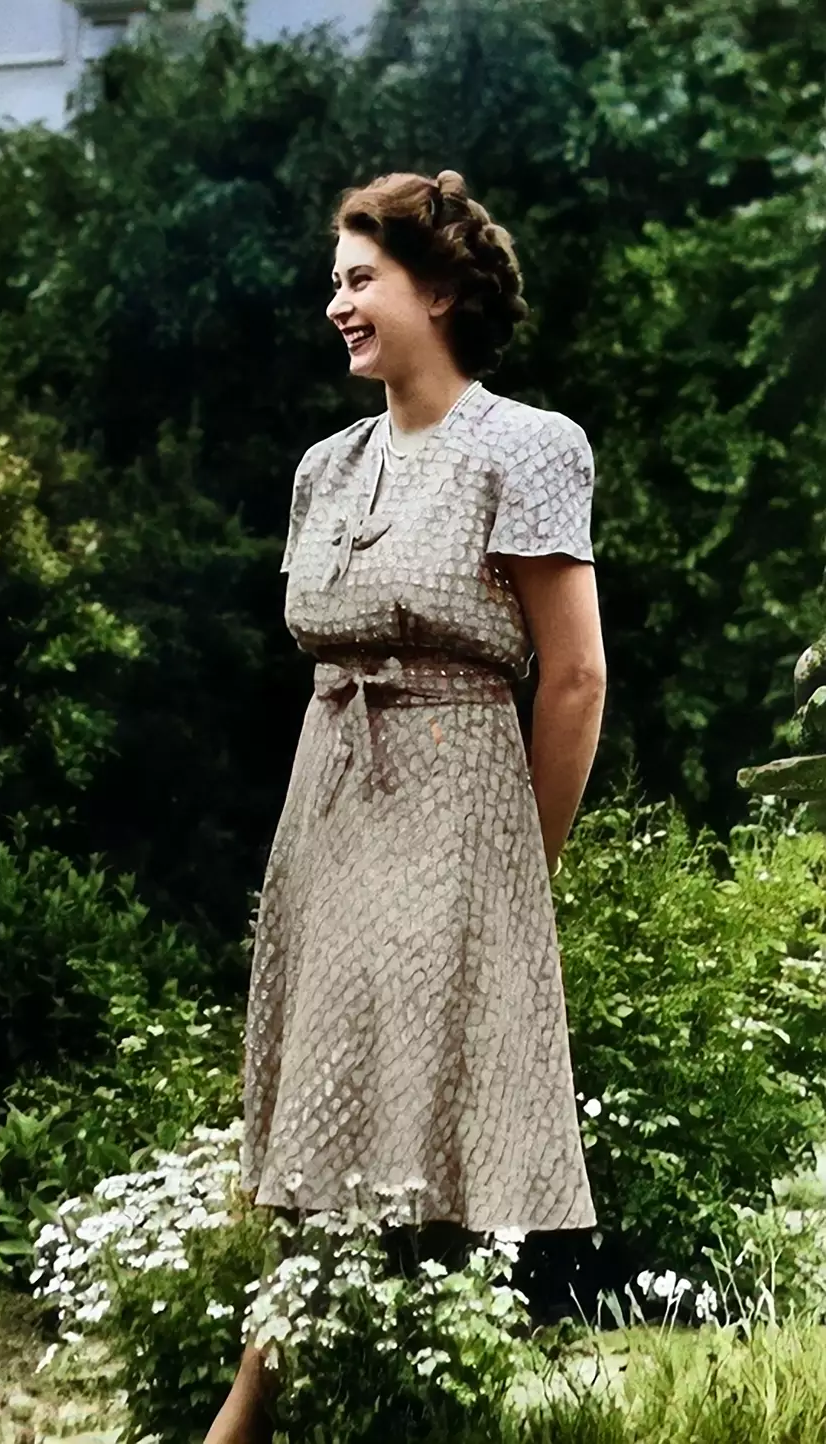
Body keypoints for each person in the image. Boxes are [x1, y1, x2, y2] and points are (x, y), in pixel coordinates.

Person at [205, 170, 606, 1443]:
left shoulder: (529, 446)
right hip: (327, 802)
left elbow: (577, 675)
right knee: (334, 1113)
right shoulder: (327, 467)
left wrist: (516, 867)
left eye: (359, 277)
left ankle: (257, 1410)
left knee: (404, 1116)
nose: (338, 303)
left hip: (458, 801)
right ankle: (378, 1400)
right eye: (337, 280)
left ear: (437, 291)